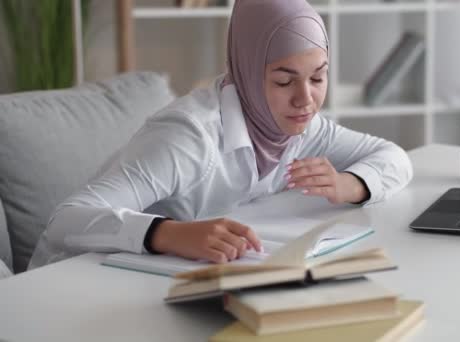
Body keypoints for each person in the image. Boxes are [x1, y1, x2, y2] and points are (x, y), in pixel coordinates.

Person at [28, 0, 413, 269]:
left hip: (165, 281)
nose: (305, 99)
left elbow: (395, 158)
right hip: (72, 279)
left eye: (318, 77)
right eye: (284, 81)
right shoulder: (189, 137)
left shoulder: (305, 128)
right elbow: (66, 221)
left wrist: (349, 184)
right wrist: (167, 234)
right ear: (245, 71)